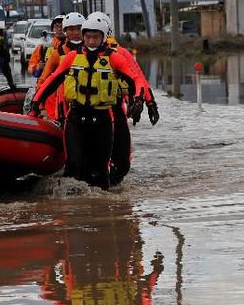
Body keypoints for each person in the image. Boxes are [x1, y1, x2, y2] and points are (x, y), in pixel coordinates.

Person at [28, 14, 153, 190]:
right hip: (76, 119)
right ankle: (75, 211)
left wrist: (142, 100)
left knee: (100, 170)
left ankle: (102, 209)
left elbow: (136, 79)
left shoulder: (115, 58)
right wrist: (35, 104)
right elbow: (52, 81)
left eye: (95, 37)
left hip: (102, 120)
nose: (91, 41)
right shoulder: (71, 57)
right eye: (88, 37)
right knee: (74, 167)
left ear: (103, 37)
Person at [85, 12, 159, 186]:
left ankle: (109, 184)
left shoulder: (120, 54)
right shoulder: (77, 54)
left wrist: (148, 102)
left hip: (115, 106)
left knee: (121, 158)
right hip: (84, 110)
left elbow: (138, 78)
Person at [33, 12, 86, 122]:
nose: (76, 33)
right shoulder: (57, 54)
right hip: (64, 105)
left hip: (88, 103)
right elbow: (43, 81)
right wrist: (41, 107)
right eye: (71, 29)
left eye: (79, 29)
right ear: (65, 31)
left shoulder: (92, 52)